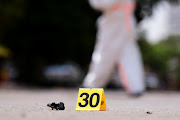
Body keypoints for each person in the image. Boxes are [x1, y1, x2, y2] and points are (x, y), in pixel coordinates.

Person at [82, 0, 145, 96]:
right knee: (108, 55)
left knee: (127, 55)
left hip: (122, 23)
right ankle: (92, 85)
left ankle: (135, 87)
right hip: (116, 23)